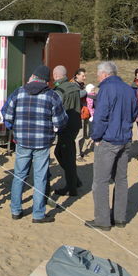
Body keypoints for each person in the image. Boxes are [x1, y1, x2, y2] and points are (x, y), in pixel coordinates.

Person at [3, 65, 68, 223]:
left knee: (19, 175)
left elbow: (7, 114)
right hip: (42, 142)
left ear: (33, 76)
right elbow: (60, 121)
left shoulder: (19, 92)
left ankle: (16, 210)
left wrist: (15, 128)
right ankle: (38, 214)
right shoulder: (52, 96)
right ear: (46, 81)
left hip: (22, 141)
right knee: (40, 178)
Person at [85, 62, 138, 231]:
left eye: (99, 74)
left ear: (105, 74)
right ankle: (120, 218)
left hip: (109, 140)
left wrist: (96, 136)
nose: (98, 77)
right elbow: (134, 112)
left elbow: (101, 116)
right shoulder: (129, 89)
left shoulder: (107, 89)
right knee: (121, 179)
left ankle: (103, 220)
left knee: (100, 181)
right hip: (125, 138)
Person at [53, 65, 82, 197]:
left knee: (67, 156)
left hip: (65, 126)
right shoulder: (74, 87)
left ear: (56, 76)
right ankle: (74, 180)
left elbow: (55, 108)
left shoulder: (60, 90)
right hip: (75, 123)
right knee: (60, 152)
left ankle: (72, 187)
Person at [74, 68, 90, 160]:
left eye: (85, 75)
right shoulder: (73, 85)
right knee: (79, 135)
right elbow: (78, 95)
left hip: (85, 113)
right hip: (78, 113)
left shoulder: (82, 85)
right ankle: (77, 155)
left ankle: (81, 151)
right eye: (83, 75)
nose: (85, 77)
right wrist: (86, 91)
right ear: (77, 75)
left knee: (84, 133)